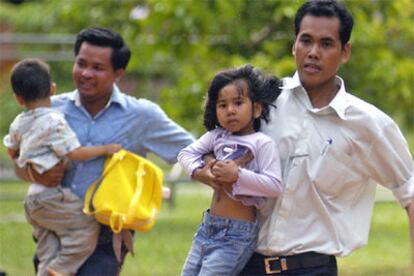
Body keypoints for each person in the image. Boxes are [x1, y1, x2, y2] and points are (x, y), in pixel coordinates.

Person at [234, 1, 414, 275]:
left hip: (312, 268)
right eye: (305, 41)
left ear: (345, 52)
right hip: (242, 263)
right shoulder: (262, 103)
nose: (313, 52)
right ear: (294, 45)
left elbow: (410, 194)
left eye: (327, 44)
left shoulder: (369, 125)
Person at [13, 27, 194, 275]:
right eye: (81, 64)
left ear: (118, 73)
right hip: (56, 231)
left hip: (107, 236)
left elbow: (191, 149)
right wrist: (35, 176)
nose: (86, 73)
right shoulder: (48, 110)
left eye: (97, 68)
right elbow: (19, 162)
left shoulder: (142, 115)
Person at [3, 58, 122, 276]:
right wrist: (105, 149)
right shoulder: (54, 121)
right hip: (52, 198)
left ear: (18, 99)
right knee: (88, 228)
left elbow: (11, 150)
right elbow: (74, 153)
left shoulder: (18, 122)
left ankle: (48, 269)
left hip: (32, 201)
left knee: (48, 249)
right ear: (53, 89)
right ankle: (60, 268)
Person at [178, 64, 283, 276]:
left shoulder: (262, 143)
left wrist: (238, 175)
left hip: (237, 233)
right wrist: (200, 173)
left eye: (238, 102)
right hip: (208, 227)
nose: (230, 111)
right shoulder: (217, 136)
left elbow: (274, 185)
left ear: (256, 109)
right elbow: (185, 154)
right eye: (222, 105)